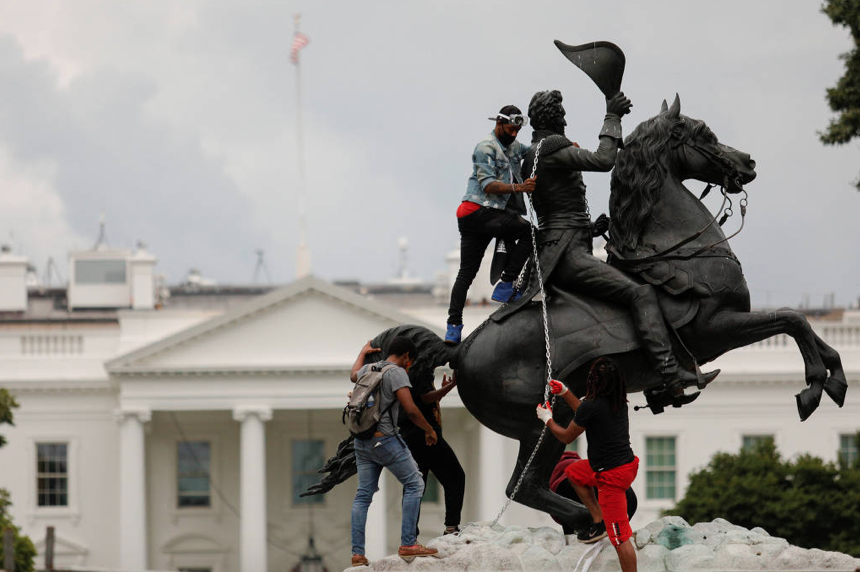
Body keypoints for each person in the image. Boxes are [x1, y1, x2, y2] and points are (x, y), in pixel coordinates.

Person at [494, 90, 716, 395]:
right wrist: (612, 117)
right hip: (567, 256)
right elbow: (603, 160)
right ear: (555, 118)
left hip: (568, 243)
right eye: (562, 114)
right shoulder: (549, 149)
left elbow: (557, 211)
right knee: (640, 294)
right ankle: (669, 375)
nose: (566, 118)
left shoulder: (538, 151)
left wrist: (590, 228)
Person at [445, 105, 537, 345]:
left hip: (481, 216)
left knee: (467, 273)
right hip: (477, 212)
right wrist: (519, 187)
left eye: (518, 130)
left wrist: (565, 147)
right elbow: (488, 185)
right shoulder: (485, 147)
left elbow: (534, 151)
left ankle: (453, 328)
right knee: (530, 233)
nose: (515, 133)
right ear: (499, 123)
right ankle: (506, 284)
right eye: (511, 129)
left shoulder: (514, 146)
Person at [536, 358, 638, 571]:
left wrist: (547, 419)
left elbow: (565, 436)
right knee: (573, 472)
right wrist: (565, 392)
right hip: (622, 465)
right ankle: (598, 519)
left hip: (612, 477)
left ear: (594, 381)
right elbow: (584, 411)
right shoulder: (617, 401)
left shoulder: (593, 406)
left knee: (619, 537)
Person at [349, 337, 440, 567]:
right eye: (411, 360)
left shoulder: (368, 369)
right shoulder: (396, 372)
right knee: (415, 483)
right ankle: (409, 543)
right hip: (385, 440)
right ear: (407, 356)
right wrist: (429, 429)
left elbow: (352, 375)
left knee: (363, 496)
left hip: (362, 441)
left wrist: (362, 352)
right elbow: (410, 410)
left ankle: (358, 554)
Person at [400, 371, 465, 536]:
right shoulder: (421, 368)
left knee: (415, 486)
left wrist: (443, 391)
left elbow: (424, 403)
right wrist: (450, 386)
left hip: (412, 437)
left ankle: (409, 534)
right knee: (455, 477)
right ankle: (451, 527)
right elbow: (424, 398)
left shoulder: (407, 371)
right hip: (426, 437)